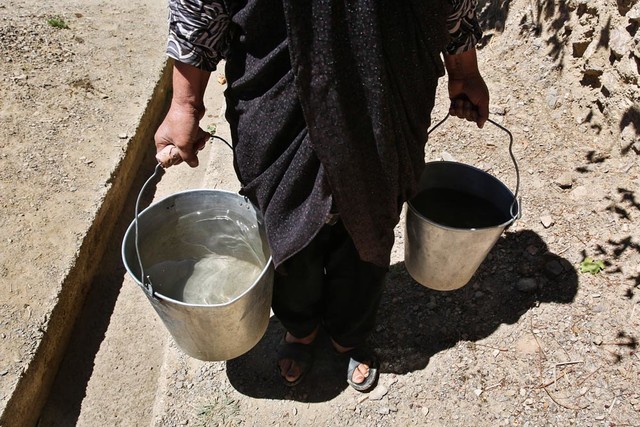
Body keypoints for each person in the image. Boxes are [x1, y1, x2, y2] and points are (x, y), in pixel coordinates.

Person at [155, 0, 489, 392]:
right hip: (279, 89)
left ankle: (349, 334)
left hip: (386, 81)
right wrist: (185, 102)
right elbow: (200, 7)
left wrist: (464, 70)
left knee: (370, 224)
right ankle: (300, 328)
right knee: (284, 227)